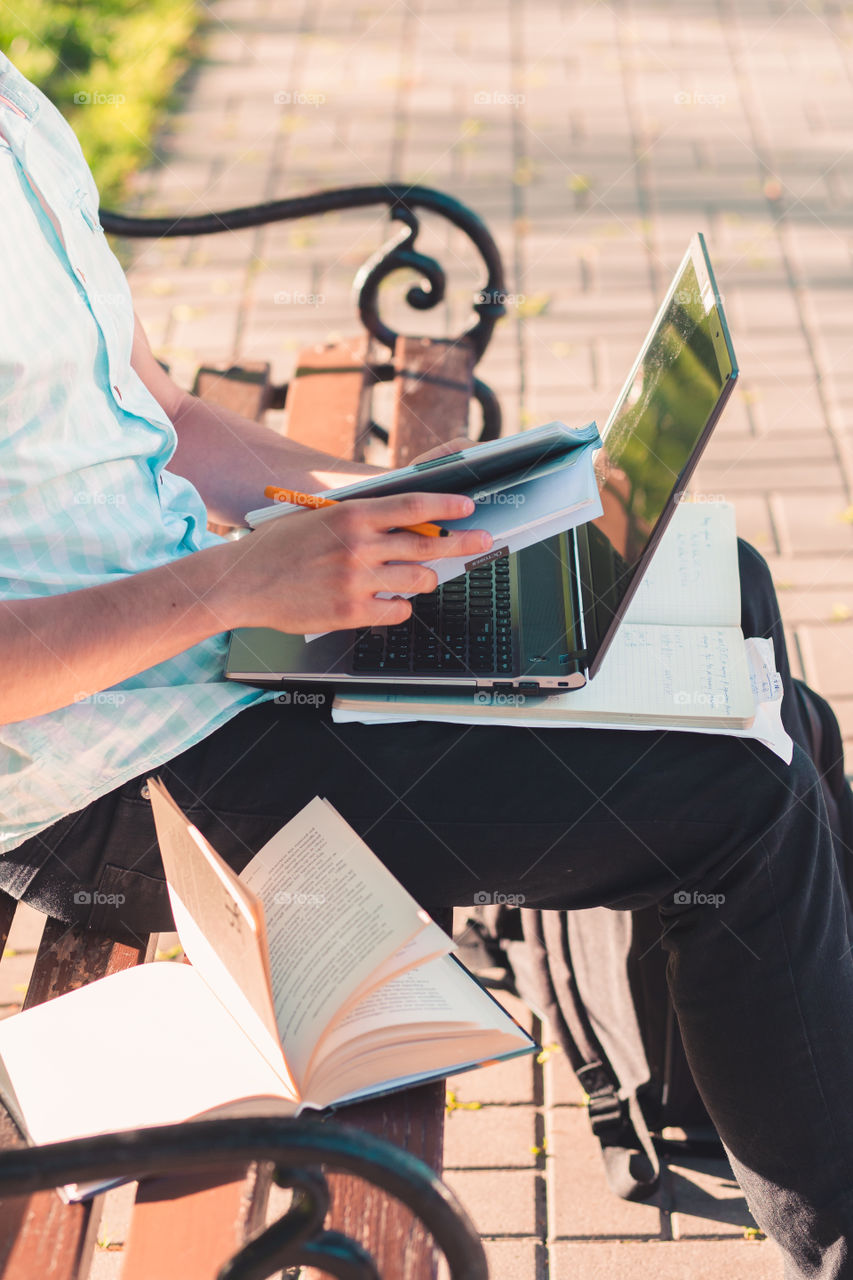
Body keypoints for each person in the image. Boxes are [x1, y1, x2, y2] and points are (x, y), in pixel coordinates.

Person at [1, 50, 852, 1279]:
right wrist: (245, 581)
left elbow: (172, 424)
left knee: (728, 598)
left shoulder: (20, 112)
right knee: (739, 801)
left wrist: (416, 512)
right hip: (120, 786)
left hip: (219, 642)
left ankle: (737, 1075)